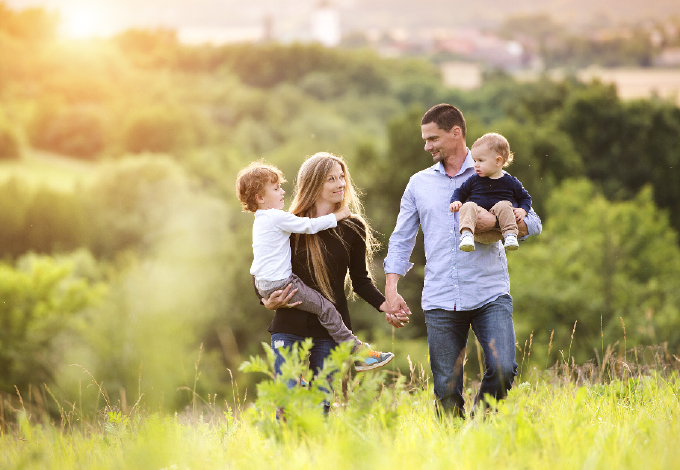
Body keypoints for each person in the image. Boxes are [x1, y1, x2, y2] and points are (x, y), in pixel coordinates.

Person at [383, 104, 542, 418]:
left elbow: (534, 223)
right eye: (425, 139)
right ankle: (454, 452)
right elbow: (402, 238)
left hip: (489, 292)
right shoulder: (418, 184)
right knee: (446, 388)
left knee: (503, 368)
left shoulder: (496, 174)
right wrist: (391, 289)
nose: (426, 146)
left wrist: (498, 224)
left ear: (456, 133)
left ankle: (479, 430)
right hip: (441, 297)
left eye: (433, 138)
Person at [237, 161, 394, 372]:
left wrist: (385, 304)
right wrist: (266, 301)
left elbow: (360, 280)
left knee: (322, 404)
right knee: (288, 400)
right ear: (314, 184)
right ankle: (357, 351)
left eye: (342, 177)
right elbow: (264, 266)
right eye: (332, 178)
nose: (341, 183)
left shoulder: (353, 227)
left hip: (329, 333)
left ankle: (357, 351)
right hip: (289, 328)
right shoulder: (290, 223)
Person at [449, 132, 532, 253]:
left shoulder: (510, 181)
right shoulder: (474, 180)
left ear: (498, 161)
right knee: (468, 205)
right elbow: (460, 192)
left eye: (480, 160)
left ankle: (510, 236)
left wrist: (523, 210)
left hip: (498, 231)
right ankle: (466, 235)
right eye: (474, 160)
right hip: (477, 227)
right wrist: (455, 201)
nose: (475, 165)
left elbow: (525, 197)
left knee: (504, 204)